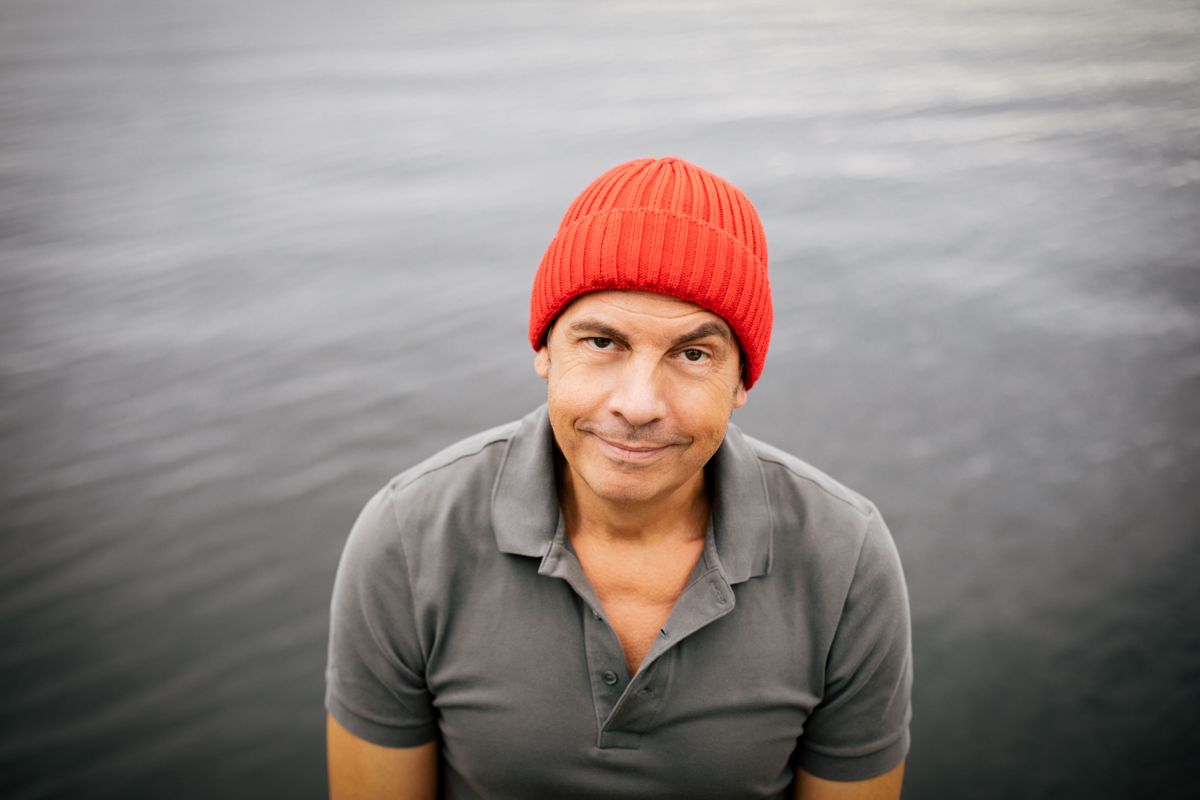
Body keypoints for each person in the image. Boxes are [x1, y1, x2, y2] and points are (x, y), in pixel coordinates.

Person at [325, 157, 912, 800]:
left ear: (741, 381)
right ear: (545, 350)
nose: (638, 405)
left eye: (693, 354)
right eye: (602, 342)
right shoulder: (410, 537)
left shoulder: (844, 558)